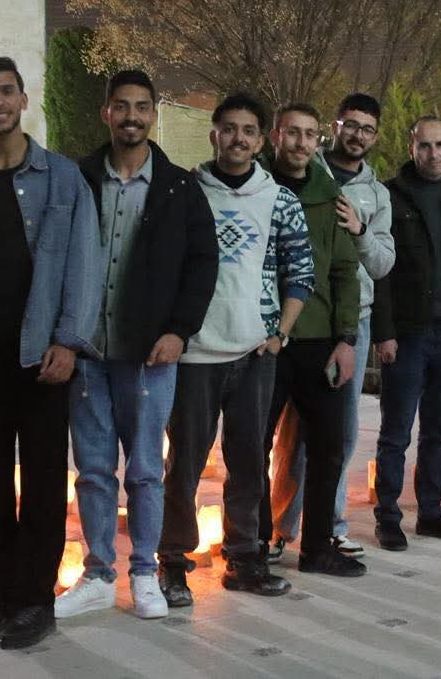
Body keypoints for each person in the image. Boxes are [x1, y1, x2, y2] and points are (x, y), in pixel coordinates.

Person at [0, 56, 104, 649]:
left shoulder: (63, 178)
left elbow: (84, 266)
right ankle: (0, 592)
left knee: (42, 481)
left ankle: (35, 598)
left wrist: (68, 340)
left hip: (42, 355)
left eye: (6, 91)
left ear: (23, 98)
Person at [55, 70, 218, 621]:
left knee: (147, 469)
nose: (131, 116)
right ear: (106, 112)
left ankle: (145, 571)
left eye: (142, 107)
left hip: (149, 356)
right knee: (93, 470)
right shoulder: (78, 179)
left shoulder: (179, 187)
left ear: (154, 114)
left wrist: (179, 330)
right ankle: (98, 574)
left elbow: (203, 264)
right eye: (121, 106)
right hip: (89, 354)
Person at [157, 93, 314, 606]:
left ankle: (244, 556)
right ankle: (173, 560)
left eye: (248, 130)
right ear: (214, 134)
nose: (238, 138)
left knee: (248, 459)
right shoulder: (186, 192)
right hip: (196, 353)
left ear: (262, 139)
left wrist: (280, 332)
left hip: (254, 353)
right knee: (184, 462)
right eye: (229, 128)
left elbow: (301, 270)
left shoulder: (279, 200)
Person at [268, 93, 395, 564]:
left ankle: (330, 529)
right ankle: (279, 529)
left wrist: (360, 230)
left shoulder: (374, 194)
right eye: (351, 124)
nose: (358, 134)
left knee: (335, 434)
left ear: (375, 136)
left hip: (343, 320)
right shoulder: (302, 174)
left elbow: (377, 265)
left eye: (367, 128)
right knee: (287, 438)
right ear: (336, 127)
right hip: (279, 323)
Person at [257, 103, 364, 575]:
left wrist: (346, 338)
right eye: (292, 133)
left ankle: (318, 546)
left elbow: (344, 270)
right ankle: (256, 541)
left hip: (318, 338)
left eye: (309, 135)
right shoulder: (254, 188)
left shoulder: (329, 195)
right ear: (275, 136)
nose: (301, 143)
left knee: (328, 447)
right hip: (262, 340)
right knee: (253, 445)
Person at [371, 115, 441, 550]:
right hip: (407, 333)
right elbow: (380, 271)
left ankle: (431, 513)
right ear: (411, 148)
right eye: (425, 145)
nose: (433, 153)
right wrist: (384, 331)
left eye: (440, 145)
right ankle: (388, 517)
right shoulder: (389, 195)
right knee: (395, 432)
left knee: (439, 429)